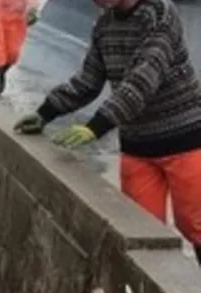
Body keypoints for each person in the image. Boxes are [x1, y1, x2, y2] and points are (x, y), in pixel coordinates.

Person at [13, 0, 201, 266]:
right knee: (140, 232)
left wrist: (97, 126)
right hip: (138, 147)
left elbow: (144, 78)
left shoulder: (160, 13)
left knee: (195, 224)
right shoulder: (104, 25)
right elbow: (87, 81)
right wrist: (46, 112)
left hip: (186, 141)